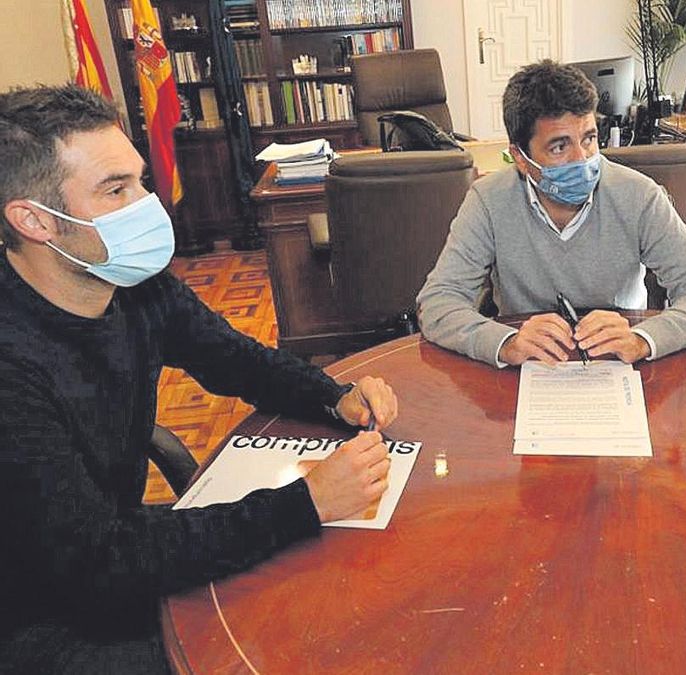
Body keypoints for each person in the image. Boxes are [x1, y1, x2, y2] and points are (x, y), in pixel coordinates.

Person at [0, 85, 400, 673]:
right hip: (38, 614)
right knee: (281, 647)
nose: (149, 204)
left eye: (139, 180)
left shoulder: (138, 287)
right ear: (34, 220)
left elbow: (235, 359)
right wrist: (305, 503)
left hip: (111, 545)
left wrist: (335, 397)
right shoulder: (11, 368)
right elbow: (95, 566)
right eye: (116, 189)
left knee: (327, 591)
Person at [416, 60, 686, 367]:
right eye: (559, 147)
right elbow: (437, 303)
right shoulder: (488, 201)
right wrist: (504, 342)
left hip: (622, 362)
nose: (582, 160)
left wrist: (643, 338)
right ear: (520, 158)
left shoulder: (640, 195)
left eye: (589, 139)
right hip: (528, 367)